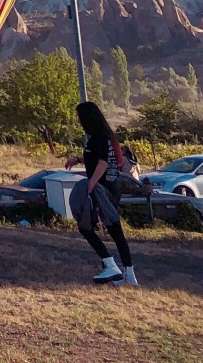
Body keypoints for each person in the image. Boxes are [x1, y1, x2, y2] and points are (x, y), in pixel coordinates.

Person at [72, 100, 139, 286]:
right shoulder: (105, 136)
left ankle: (111, 265)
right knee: (115, 231)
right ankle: (129, 276)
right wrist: (78, 159)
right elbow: (103, 158)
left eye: (80, 117)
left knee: (86, 227)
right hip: (110, 188)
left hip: (103, 189)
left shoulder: (97, 138)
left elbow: (102, 163)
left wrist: (91, 185)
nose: (78, 120)